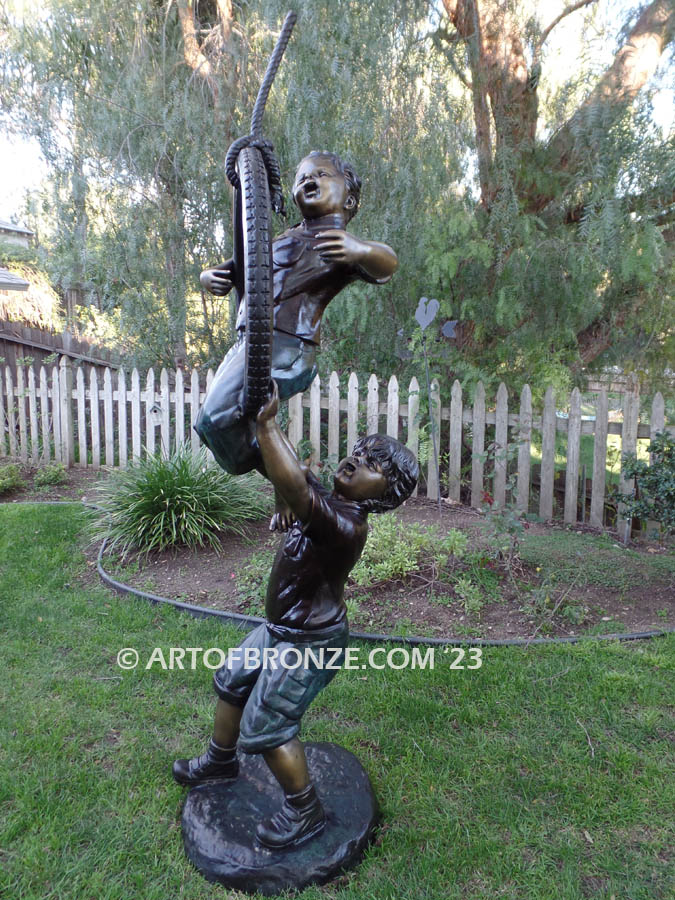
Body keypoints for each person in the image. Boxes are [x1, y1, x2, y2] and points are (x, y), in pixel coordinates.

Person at [173, 380, 418, 850]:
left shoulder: (348, 526)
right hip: (281, 629)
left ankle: (305, 811)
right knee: (232, 680)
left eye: (373, 466)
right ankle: (220, 760)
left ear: (386, 496)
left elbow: (295, 486)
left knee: (267, 725)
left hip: (310, 643)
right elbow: (291, 480)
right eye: (359, 452)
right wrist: (280, 478)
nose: (356, 461)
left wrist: (267, 425)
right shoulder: (331, 499)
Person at [195, 151, 398, 489]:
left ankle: (299, 492)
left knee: (217, 420)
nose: (310, 181)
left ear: (348, 198)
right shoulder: (280, 240)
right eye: (302, 178)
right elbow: (238, 268)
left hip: (289, 348)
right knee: (211, 426)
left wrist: (360, 250)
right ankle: (298, 490)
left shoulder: (340, 245)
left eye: (321, 175)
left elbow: (387, 263)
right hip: (250, 342)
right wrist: (208, 276)